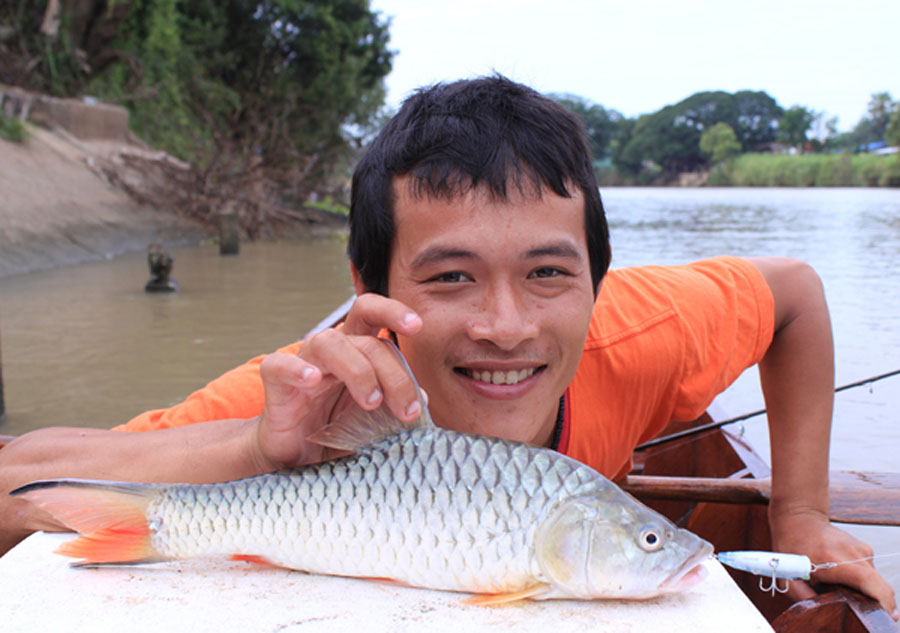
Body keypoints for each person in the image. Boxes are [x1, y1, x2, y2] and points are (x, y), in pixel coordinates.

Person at [0, 76, 896, 618]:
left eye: (549, 273)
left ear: (598, 278)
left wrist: (800, 518)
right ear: (368, 288)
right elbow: (15, 489)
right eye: (451, 277)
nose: (506, 324)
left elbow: (797, 298)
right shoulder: (317, 398)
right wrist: (249, 450)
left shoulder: (644, 327)